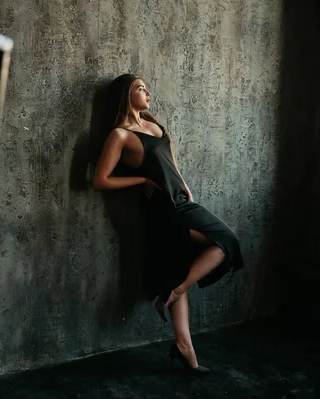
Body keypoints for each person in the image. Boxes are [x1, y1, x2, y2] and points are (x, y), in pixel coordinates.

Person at [92, 74, 244, 375]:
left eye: (147, 86)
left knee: (223, 242)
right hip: (162, 210)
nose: (147, 91)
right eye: (139, 88)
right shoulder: (120, 135)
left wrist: (185, 186)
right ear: (125, 95)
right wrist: (143, 179)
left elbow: (171, 163)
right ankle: (185, 344)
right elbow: (99, 180)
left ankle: (176, 297)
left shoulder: (156, 125)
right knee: (221, 242)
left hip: (181, 202)